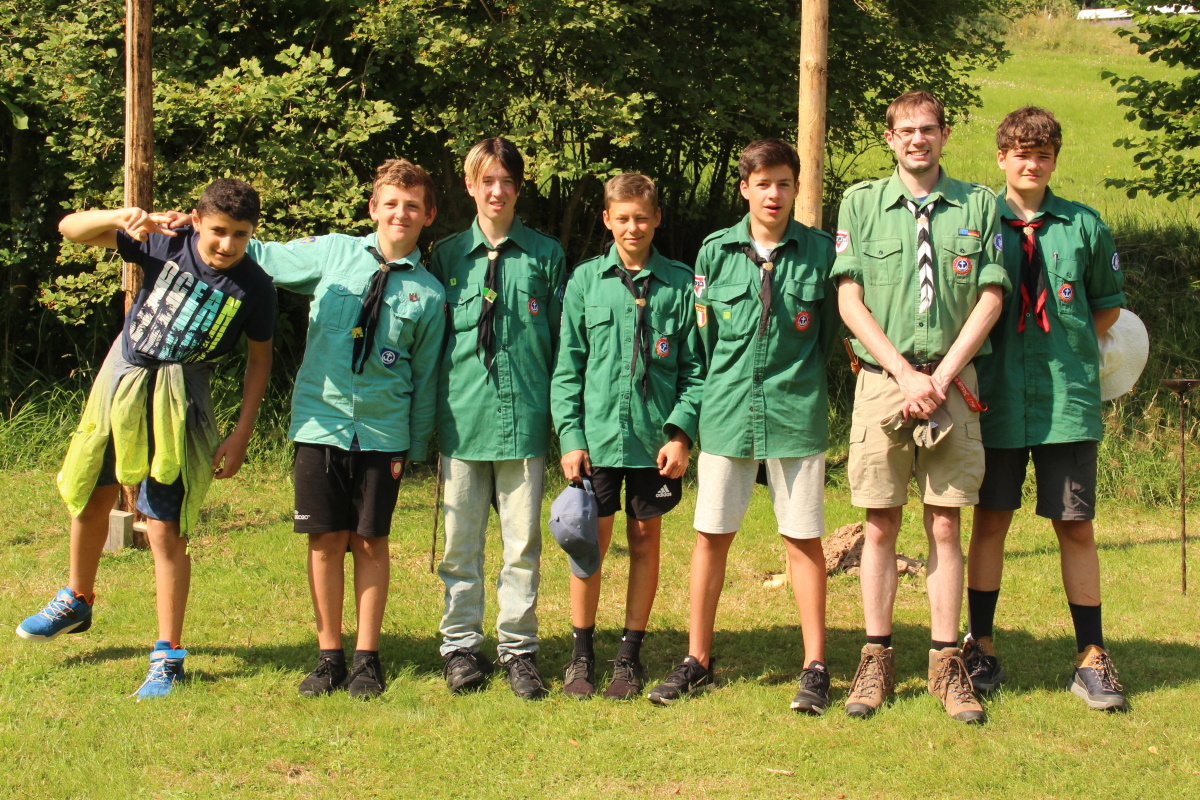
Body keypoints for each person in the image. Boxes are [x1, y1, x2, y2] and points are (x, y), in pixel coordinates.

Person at [17, 179, 275, 700]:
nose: (227, 244)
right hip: (122, 382)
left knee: (164, 526)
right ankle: (77, 599)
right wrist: (126, 215)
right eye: (218, 231)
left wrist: (241, 432)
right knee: (93, 494)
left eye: (240, 234)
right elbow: (70, 228)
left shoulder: (255, 286)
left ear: (252, 234)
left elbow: (259, 361)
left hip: (182, 401)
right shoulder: (165, 242)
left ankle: (168, 655)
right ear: (197, 221)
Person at [832, 90, 1009, 723]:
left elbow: (991, 296)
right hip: (886, 381)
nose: (917, 139)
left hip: (954, 384)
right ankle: (876, 659)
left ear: (944, 134)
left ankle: (945, 663)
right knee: (880, 522)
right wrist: (906, 375)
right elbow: (848, 298)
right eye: (905, 130)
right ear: (890, 138)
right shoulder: (860, 203)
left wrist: (942, 375)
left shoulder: (978, 205)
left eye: (928, 129)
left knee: (944, 524)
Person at [646, 139, 838, 713]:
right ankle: (697, 660)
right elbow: (703, 345)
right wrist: (687, 424)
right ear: (744, 189)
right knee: (711, 535)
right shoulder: (715, 253)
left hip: (795, 413)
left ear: (796, 187)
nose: (773, 194)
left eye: (784, 183)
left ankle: (815, 666)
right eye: (763, 184)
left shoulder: (821, 253)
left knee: (802, 538)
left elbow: (827, 336)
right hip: (727, 414)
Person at [244, 159, 445, 699]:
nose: (400, 213)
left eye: (412, 205)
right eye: (390, 203)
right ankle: (329, 655)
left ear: (428, 215)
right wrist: (193, 233)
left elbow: (425, 376)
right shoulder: (332, 252)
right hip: (322, 423)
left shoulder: (429, 294)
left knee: (371, 541)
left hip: (384, 432)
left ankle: (367, 659)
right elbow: (258, 255)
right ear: (373, 208)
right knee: (325, 540)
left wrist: (416, 445)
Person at [964, 106, 1128, 711]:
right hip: (997, 396)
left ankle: (1091, 654)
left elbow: (1106, 306)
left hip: (1065, 399)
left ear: (1055, 160)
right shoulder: (979, 224)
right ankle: (980, 644)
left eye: (1043, 155)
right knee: (991, 520)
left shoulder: (1084, 225)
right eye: (1021, 154)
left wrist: (1067, 344)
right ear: (1001, 157)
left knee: (1075, 524)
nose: (1032, 165)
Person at [551, 173, 703, 700]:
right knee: (587, 542)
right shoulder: (585, 282)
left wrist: (680, 434)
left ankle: (628, 656)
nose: (632, 227)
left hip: (651, 441)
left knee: (644, 540)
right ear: (606, 220)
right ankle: (581, 655)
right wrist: (571, 437)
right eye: (622, 218)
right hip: (596, 441)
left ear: (657, 218)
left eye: (641, 217)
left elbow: (695, 371)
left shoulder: (680, 285)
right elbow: (568, 369)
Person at [431, 138, 566, 699]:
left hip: (524, 420)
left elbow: (561, 343)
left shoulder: (546, 255)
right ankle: (461, 646)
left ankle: (518, 649)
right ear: (470, 185)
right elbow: (431, 344)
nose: (497, 191)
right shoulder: (444, 257)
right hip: (462, 421)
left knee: (521, 547)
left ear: (519, 187)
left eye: (507, 181)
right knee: (460, 545)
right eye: (487, 180)